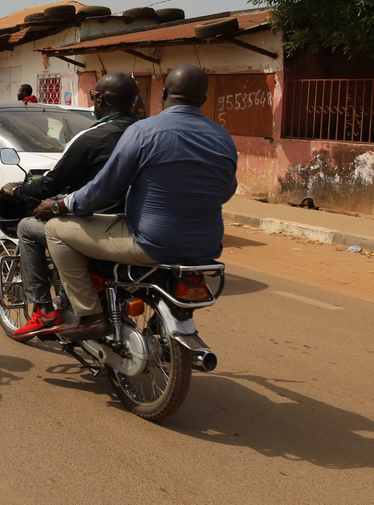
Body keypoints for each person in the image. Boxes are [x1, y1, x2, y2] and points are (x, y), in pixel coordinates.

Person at [32, 64, 238, 340]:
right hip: (206, 246)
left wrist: (60, 206)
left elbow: (104, 188)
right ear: (203, 100)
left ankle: (91, 315)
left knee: (56, 230)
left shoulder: (145, 131)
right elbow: (225, 191)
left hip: (150, 241)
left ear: (163, 94)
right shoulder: (223, 137)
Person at [0, 72, 140, 338]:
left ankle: (44, 311)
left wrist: (19, 190)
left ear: (99, 100)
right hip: (141, 224)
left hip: (100, 225)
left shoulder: (91, 137)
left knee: (29, 228)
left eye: (93, 97)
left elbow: (51, 184)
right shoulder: (144, 132)